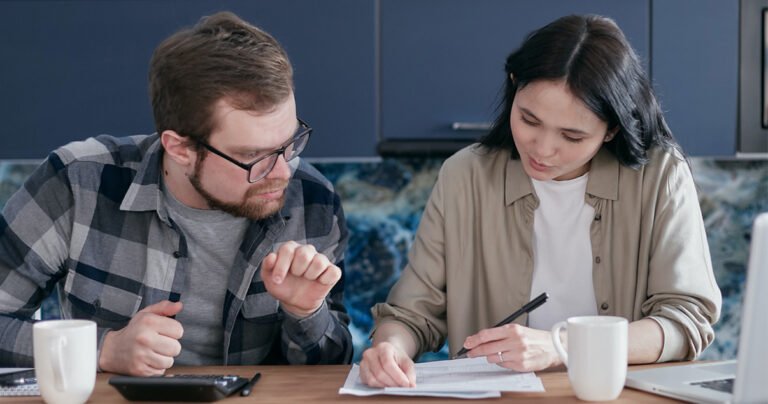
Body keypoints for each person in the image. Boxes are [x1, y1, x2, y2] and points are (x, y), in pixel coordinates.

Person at [360, 14, 722, 387]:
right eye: (529, 120)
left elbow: (684, 320)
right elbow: (410, 314)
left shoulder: (659, 175)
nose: (543, 150)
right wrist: (391, 348)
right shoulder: (464, 176)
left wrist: (559, 346)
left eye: (572, 135)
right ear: (514, 86)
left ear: (611, 128)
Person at [0, 11, 352, 376]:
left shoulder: (314, 203)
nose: (282, 172)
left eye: (290, 143)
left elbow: (331, 373)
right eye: (253, 156)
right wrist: (104, 350)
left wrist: (306, 313)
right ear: (180, 148)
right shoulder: (76, 184)